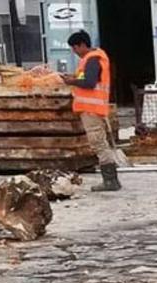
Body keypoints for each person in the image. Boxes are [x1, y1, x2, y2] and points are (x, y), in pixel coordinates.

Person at [61, 30, 120, 192]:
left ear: (82, 45)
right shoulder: (93, 58)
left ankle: (110, 181)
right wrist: (73, 78)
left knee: (98, 143)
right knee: (101, 143)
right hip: (94, 108)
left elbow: (89, 82)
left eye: (75, 48)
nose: (75, 52)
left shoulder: (93, 59)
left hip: (91, 109)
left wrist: (71, 81)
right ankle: (111, 179)